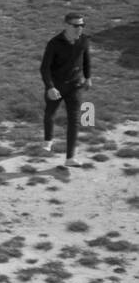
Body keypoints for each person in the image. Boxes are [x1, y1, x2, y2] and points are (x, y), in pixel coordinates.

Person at [40, 12, 92, 168]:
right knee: (50, 114)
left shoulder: (83, 40)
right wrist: (50, 87)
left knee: (74, 121)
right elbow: (44, 68)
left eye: (82, 25)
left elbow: (86, 60)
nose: (79, 28)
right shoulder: (54, 43)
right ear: (66, 25)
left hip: (75, 86)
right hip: (57, 86)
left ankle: (70, 158)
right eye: (76, 25)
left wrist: (88, 78)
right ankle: (48, 140)